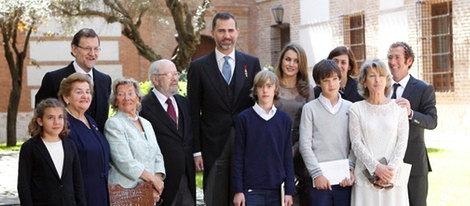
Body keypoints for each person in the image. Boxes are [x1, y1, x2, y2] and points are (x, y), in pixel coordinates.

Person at [187, 12, 261, 205]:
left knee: (244, 198)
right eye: (221, 31)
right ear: (213, 33)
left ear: (237, 32)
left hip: (245, 143)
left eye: (230, 30)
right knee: (215, 198)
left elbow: (258, 106)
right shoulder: (198, 67)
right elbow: (193, 112)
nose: (226, 35)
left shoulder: (252, 64)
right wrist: (196, 151)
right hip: (213, 146)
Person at [349, 58, 410, 205]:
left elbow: (402, 142)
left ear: (387, 80)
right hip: (365, 177)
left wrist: (389, 171)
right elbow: (356, 143)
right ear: (364, 81)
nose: (377, 80)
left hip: (392, 177)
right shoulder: (356, 109)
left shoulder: (398, 109)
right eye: (372, 76)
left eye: (381, 75)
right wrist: (376, 168)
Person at [232, 70, 295, 206]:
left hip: (277, 189)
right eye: (261, 86)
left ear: (275, 90)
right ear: (255, 90)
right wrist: (238, 190)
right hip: (251, 189)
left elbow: (287, 156)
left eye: (269, 86)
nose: (265, 90)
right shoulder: (244, 118)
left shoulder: (284, 120)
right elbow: (238, 156)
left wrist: (289, 190)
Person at [387, 41, 438, 206]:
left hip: (413, 163)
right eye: (389, 57)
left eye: (397, 57)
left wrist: (411, 113)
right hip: (385, 162)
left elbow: (432, 121)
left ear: (409, 61)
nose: (392, 62)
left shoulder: (424, 88)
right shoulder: (382, 87)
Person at [299, 59, 355, 206]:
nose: (331, 84)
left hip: (344, 180)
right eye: (326, 80)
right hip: (319, 181)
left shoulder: (351, 108)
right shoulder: (309, 109)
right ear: (318, 83)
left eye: (335, 79)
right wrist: (317, 174)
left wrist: (350, 169)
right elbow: (305, 145)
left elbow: (355, 144)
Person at [140, 59, 196, 206]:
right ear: (155, 79)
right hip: (161, 181)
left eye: (176, 74)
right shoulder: (143, 107)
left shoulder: (183, 102)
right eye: (169, 74)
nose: (175, 78)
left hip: (186, 177)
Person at [35, 28, 112, 132]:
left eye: (96, 48)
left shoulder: (105, 81)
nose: (92, 53)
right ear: (74, 49)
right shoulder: (53, 79)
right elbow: (40, 118)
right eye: (87, 48)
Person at [104, 77, 166, 204]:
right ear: (115, 101)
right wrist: (153, 181)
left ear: (138, 98)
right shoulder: (113, 124)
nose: (126, 98)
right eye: (121, 94)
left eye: (130, 93)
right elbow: (124, 161)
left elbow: (158, 155)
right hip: (126, 193)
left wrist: (156, 186)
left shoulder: (147, 123)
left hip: (149, 192)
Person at [18, 98, 86, 206]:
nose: (56, 122)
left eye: (60, 117)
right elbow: (24, 185)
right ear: (40, 121)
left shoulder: (70, 146)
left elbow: (77, 182)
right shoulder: (30, 148)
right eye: (50, 118)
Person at [58, 73, 110, 206]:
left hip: (101, 192)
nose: (85, 96)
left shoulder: (90, 120)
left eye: (88, 92)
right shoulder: (62, 124)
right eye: (79, 92)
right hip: (80, 195)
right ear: (66, 97)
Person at [273, 43, 314, 205]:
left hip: (300, 150)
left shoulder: (307, 89)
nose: (291, 64)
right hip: (274, 148)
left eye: (296, 61)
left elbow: (311, 125)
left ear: (301, 64)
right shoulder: (271, 85)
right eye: (287, 59)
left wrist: (293, 151)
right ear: (281, 60)